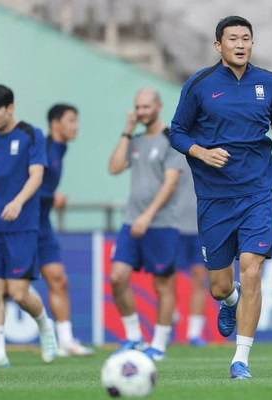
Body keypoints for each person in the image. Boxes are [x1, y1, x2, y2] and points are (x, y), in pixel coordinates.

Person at [169, 16, 272, 379]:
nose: (240, 44)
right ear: (217, 45)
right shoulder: (199, 85)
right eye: (233, 39)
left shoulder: (270, 82)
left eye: (246, 39)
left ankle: (240, 359)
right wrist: (201, 152)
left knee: (253, 268)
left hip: (257, 190)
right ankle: (230, 300)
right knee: (220, 285)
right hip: (214, 197)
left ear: (252, 44)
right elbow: (177, 132)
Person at [0, 84, 57, 368]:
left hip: (22, 225)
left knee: (19, 293)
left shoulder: (31, 134)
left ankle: (46, 325)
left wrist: (19, 201)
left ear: (10, 108)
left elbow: (37, 175)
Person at [108, 87, 185, 361]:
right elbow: (114, 167)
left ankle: (160, 344)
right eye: (137, 107)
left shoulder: (171, 140)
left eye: (145, 107)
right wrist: (127, 132)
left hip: (161, 224)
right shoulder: (136, 140)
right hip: (132, 222)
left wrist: (147, 216)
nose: (141, 112)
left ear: (158, 106)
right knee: (117, 277)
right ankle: (134, 337)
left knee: (163, 286)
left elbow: (171, 182)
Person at [37, 104, 93, 356]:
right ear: (55, 123)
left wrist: (50, 199)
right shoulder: (44, 150)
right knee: (5, 286)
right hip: (26, 227)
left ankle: (66, 341)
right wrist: (52, 198)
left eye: (76, 120)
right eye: (71, 120)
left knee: (59, 279)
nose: (76, 126)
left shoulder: (59, 150)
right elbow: (25, 187)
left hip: (42, 225)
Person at [175, 163, 208, 346]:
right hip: (173, 225)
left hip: (200, 225)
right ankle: (169, 324)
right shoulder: (171, 147)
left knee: (199, 277)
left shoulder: (210, 145)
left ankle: (194, 333)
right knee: (168, 279)